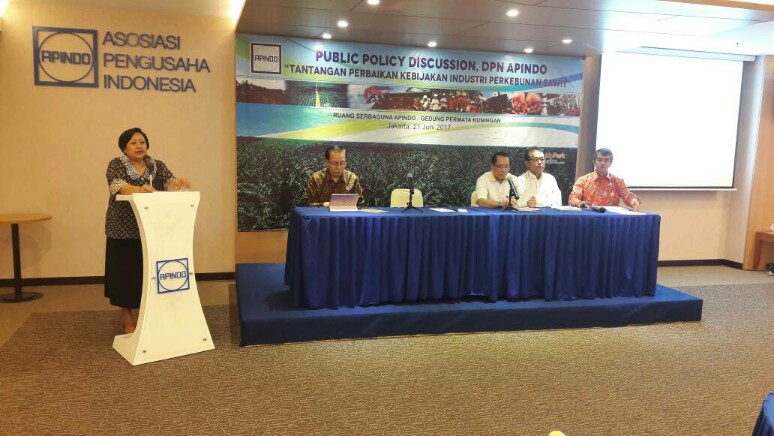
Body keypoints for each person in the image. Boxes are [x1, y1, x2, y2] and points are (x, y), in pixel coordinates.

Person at [104, 127, 191, 334]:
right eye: (133, 142)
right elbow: (118, 186)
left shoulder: (156, 165)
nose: (139, 146)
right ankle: (128, 318)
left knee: (150, 274)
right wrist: (139, 189)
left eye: (142, 142)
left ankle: (151, 314)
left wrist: (177, 183)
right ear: (124, 148)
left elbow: (169, 183)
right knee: (125, 275)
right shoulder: (117, 164)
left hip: (152, 228)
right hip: (123, 230)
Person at [568, 147, 640, 210]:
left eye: (606, 160)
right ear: (594, 162)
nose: (602, 163)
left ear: (610, 163)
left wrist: (633, 201)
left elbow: (627, 195)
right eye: (599, 160)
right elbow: (573, 198)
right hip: (589, 217)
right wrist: (580, 203)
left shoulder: (618, 182)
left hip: (610, 218)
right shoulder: (583, 180)